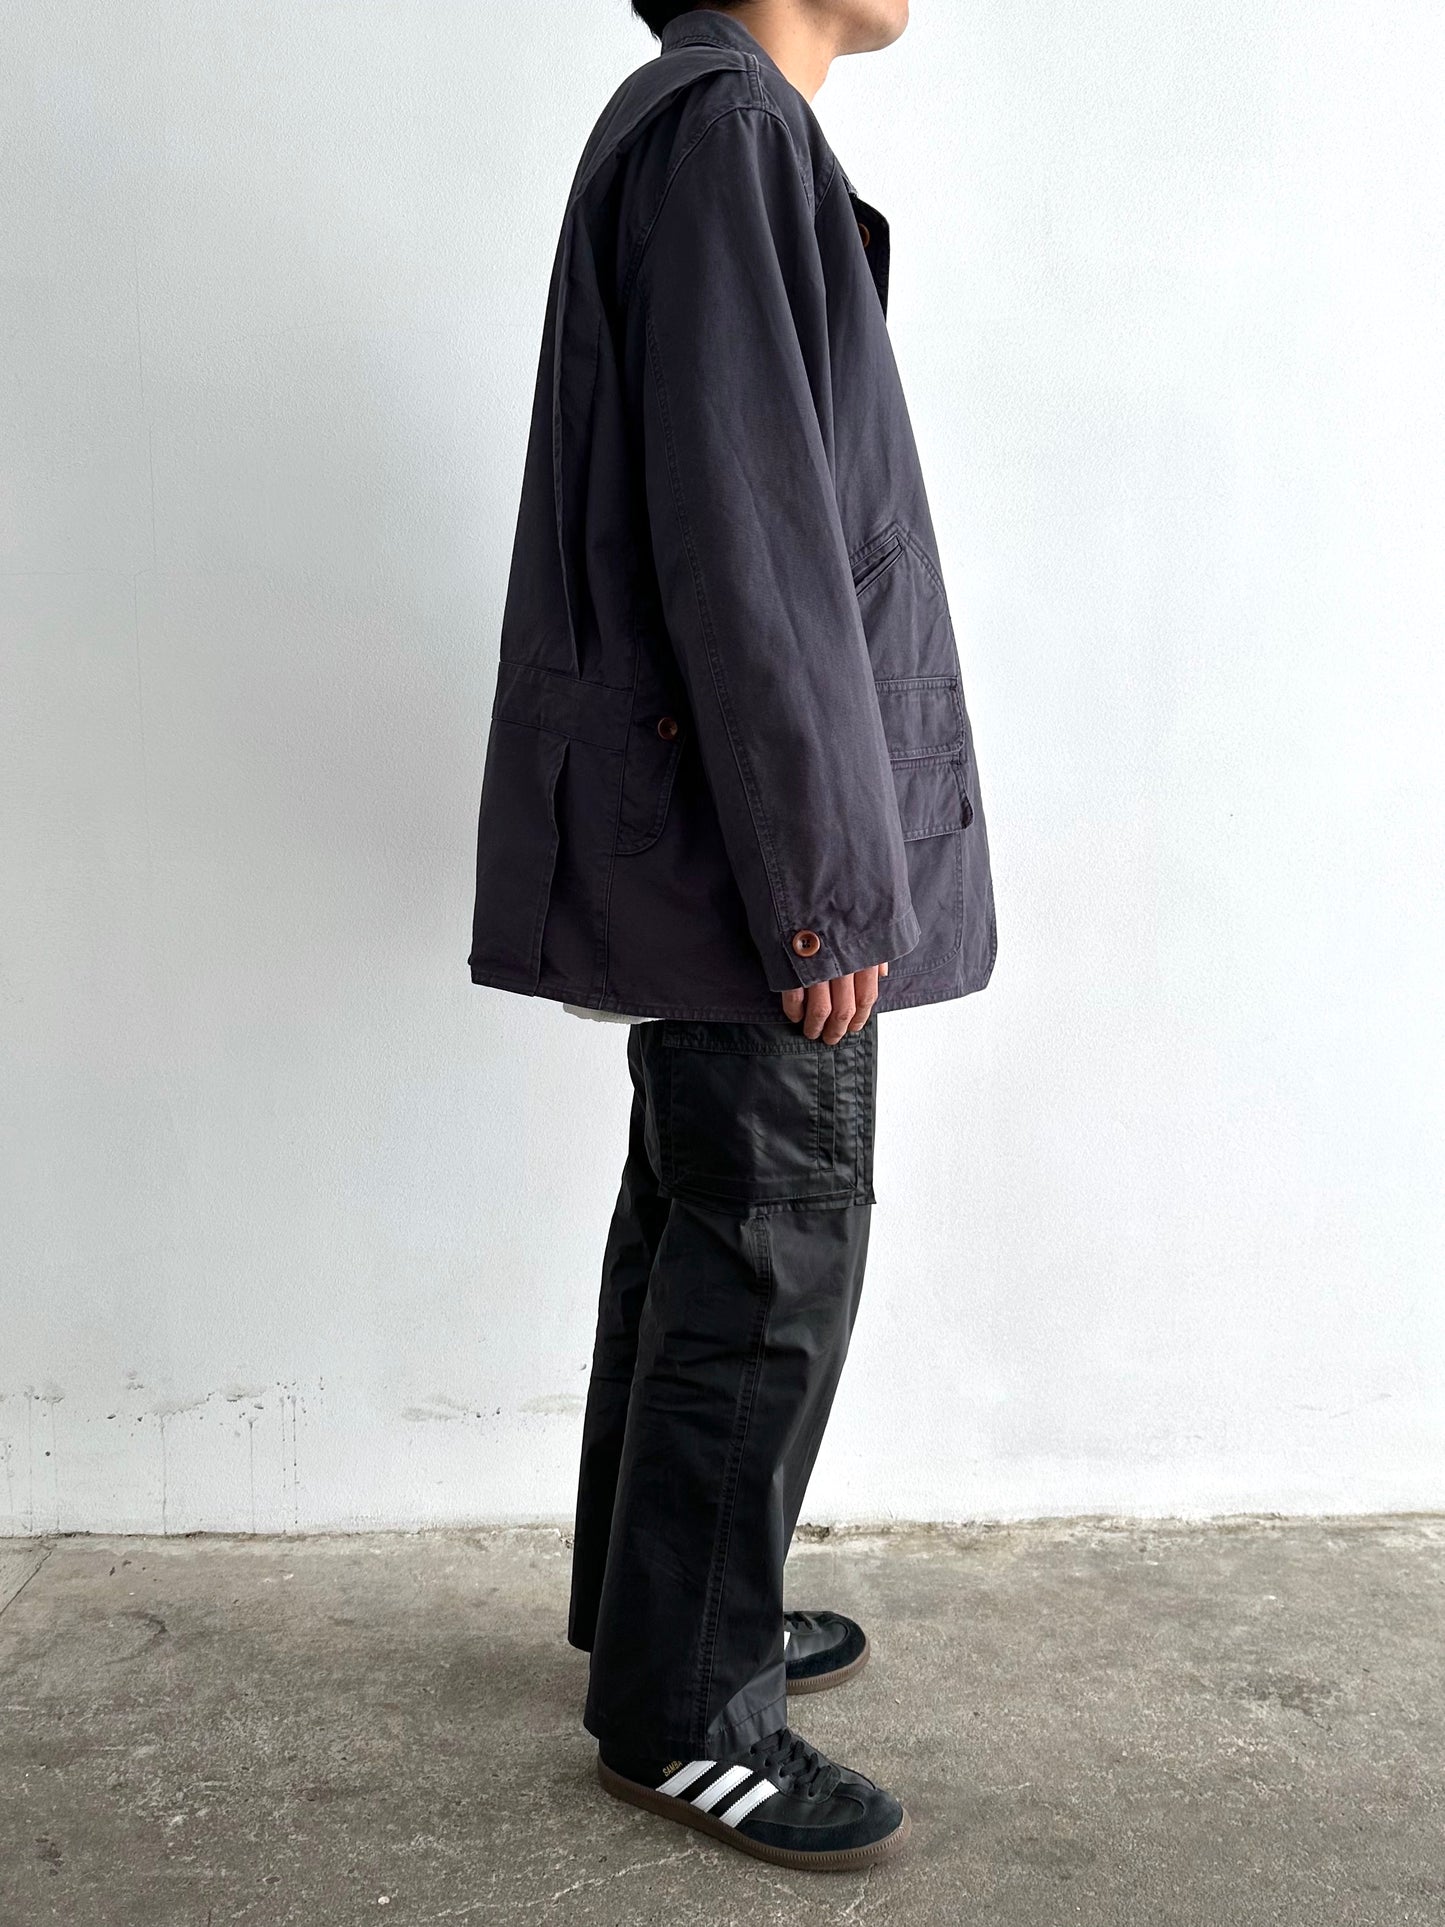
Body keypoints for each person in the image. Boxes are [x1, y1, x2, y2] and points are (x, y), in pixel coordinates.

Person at [468, 0, 996, 1871]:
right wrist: (821, 885)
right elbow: (748, 539)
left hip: (720, 841)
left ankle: (662, 1615)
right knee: (768, 1248)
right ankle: (687, 1713)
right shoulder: (729, 134)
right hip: (751, 857)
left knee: (701, 1220)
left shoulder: (713, 126)